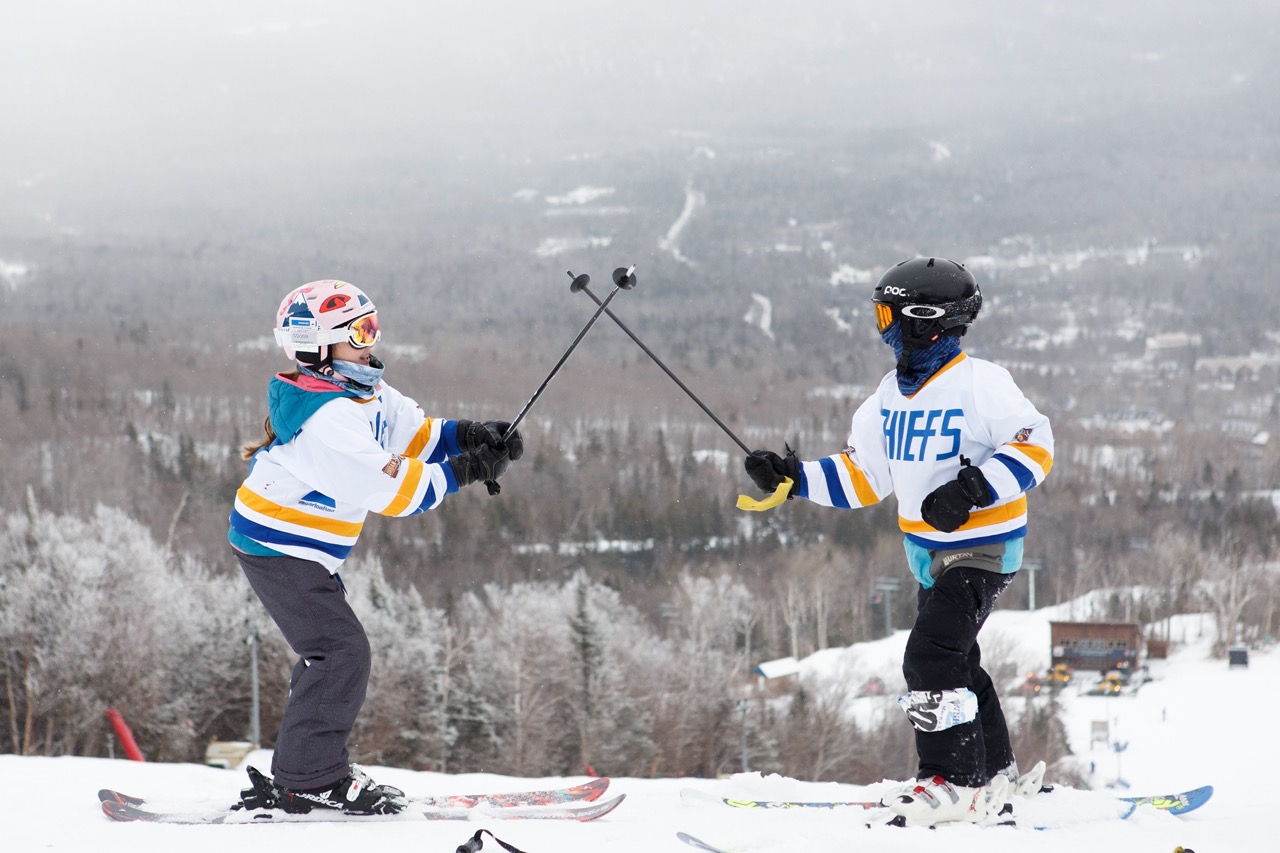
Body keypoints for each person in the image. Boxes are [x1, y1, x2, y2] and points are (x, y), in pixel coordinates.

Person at [744, 257, 1054, 826]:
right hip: (928, 555)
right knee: (956, 658)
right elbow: (865, 475)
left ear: (922, 319)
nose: (881, 326)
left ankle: (953, 782)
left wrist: (974, 488)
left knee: (929, 656)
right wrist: (795, 479)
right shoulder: (888, 398)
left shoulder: (980, 384)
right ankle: (992, 772)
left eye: (886, 314)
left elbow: (1036, 445)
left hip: (983, 547)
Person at [229, 279, 522, 815]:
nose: (370, 341)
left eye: (373, 327)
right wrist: (470, 471)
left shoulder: (362, 391)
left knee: (329, 653)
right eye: (359, 332)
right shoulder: (327, 420)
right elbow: (394, 491)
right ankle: (309, 776)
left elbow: (414, 435)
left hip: (304, 552)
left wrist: (471, 436)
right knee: (340, 652)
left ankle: (302, 766)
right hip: (277, 549)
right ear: (318, 347)